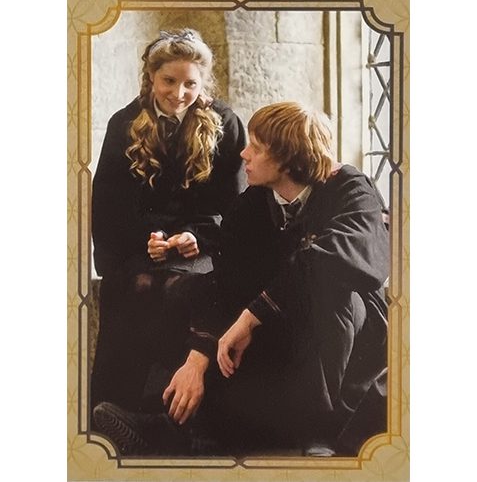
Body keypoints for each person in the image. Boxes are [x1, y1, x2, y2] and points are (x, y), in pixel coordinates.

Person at [93, 101, 389, 457]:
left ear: (288, 160)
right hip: (281, 323)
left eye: (257, 148)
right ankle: (178, 422)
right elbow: (227, 280)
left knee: (331, 295)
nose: (244, 154)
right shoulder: (255, 201)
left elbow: (335, 260)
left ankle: (319, 436)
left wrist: (251, 317)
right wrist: (196, 360)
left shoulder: (351, 189)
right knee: (189, 291)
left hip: (347, 338)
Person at [90, 28, 246, 421]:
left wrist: (198, 236)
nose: (178, 94)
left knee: (181, 289)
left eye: (190, 83)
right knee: (137, 285)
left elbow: (237, 204)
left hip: (205, 246)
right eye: (169, 81)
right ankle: (117, 412)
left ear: (203, 80)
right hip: (140, 247)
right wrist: (148, 239)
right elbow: (109, 205)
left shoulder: (225, 122)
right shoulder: (124, 123)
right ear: (151, 77)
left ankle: (170, 412)